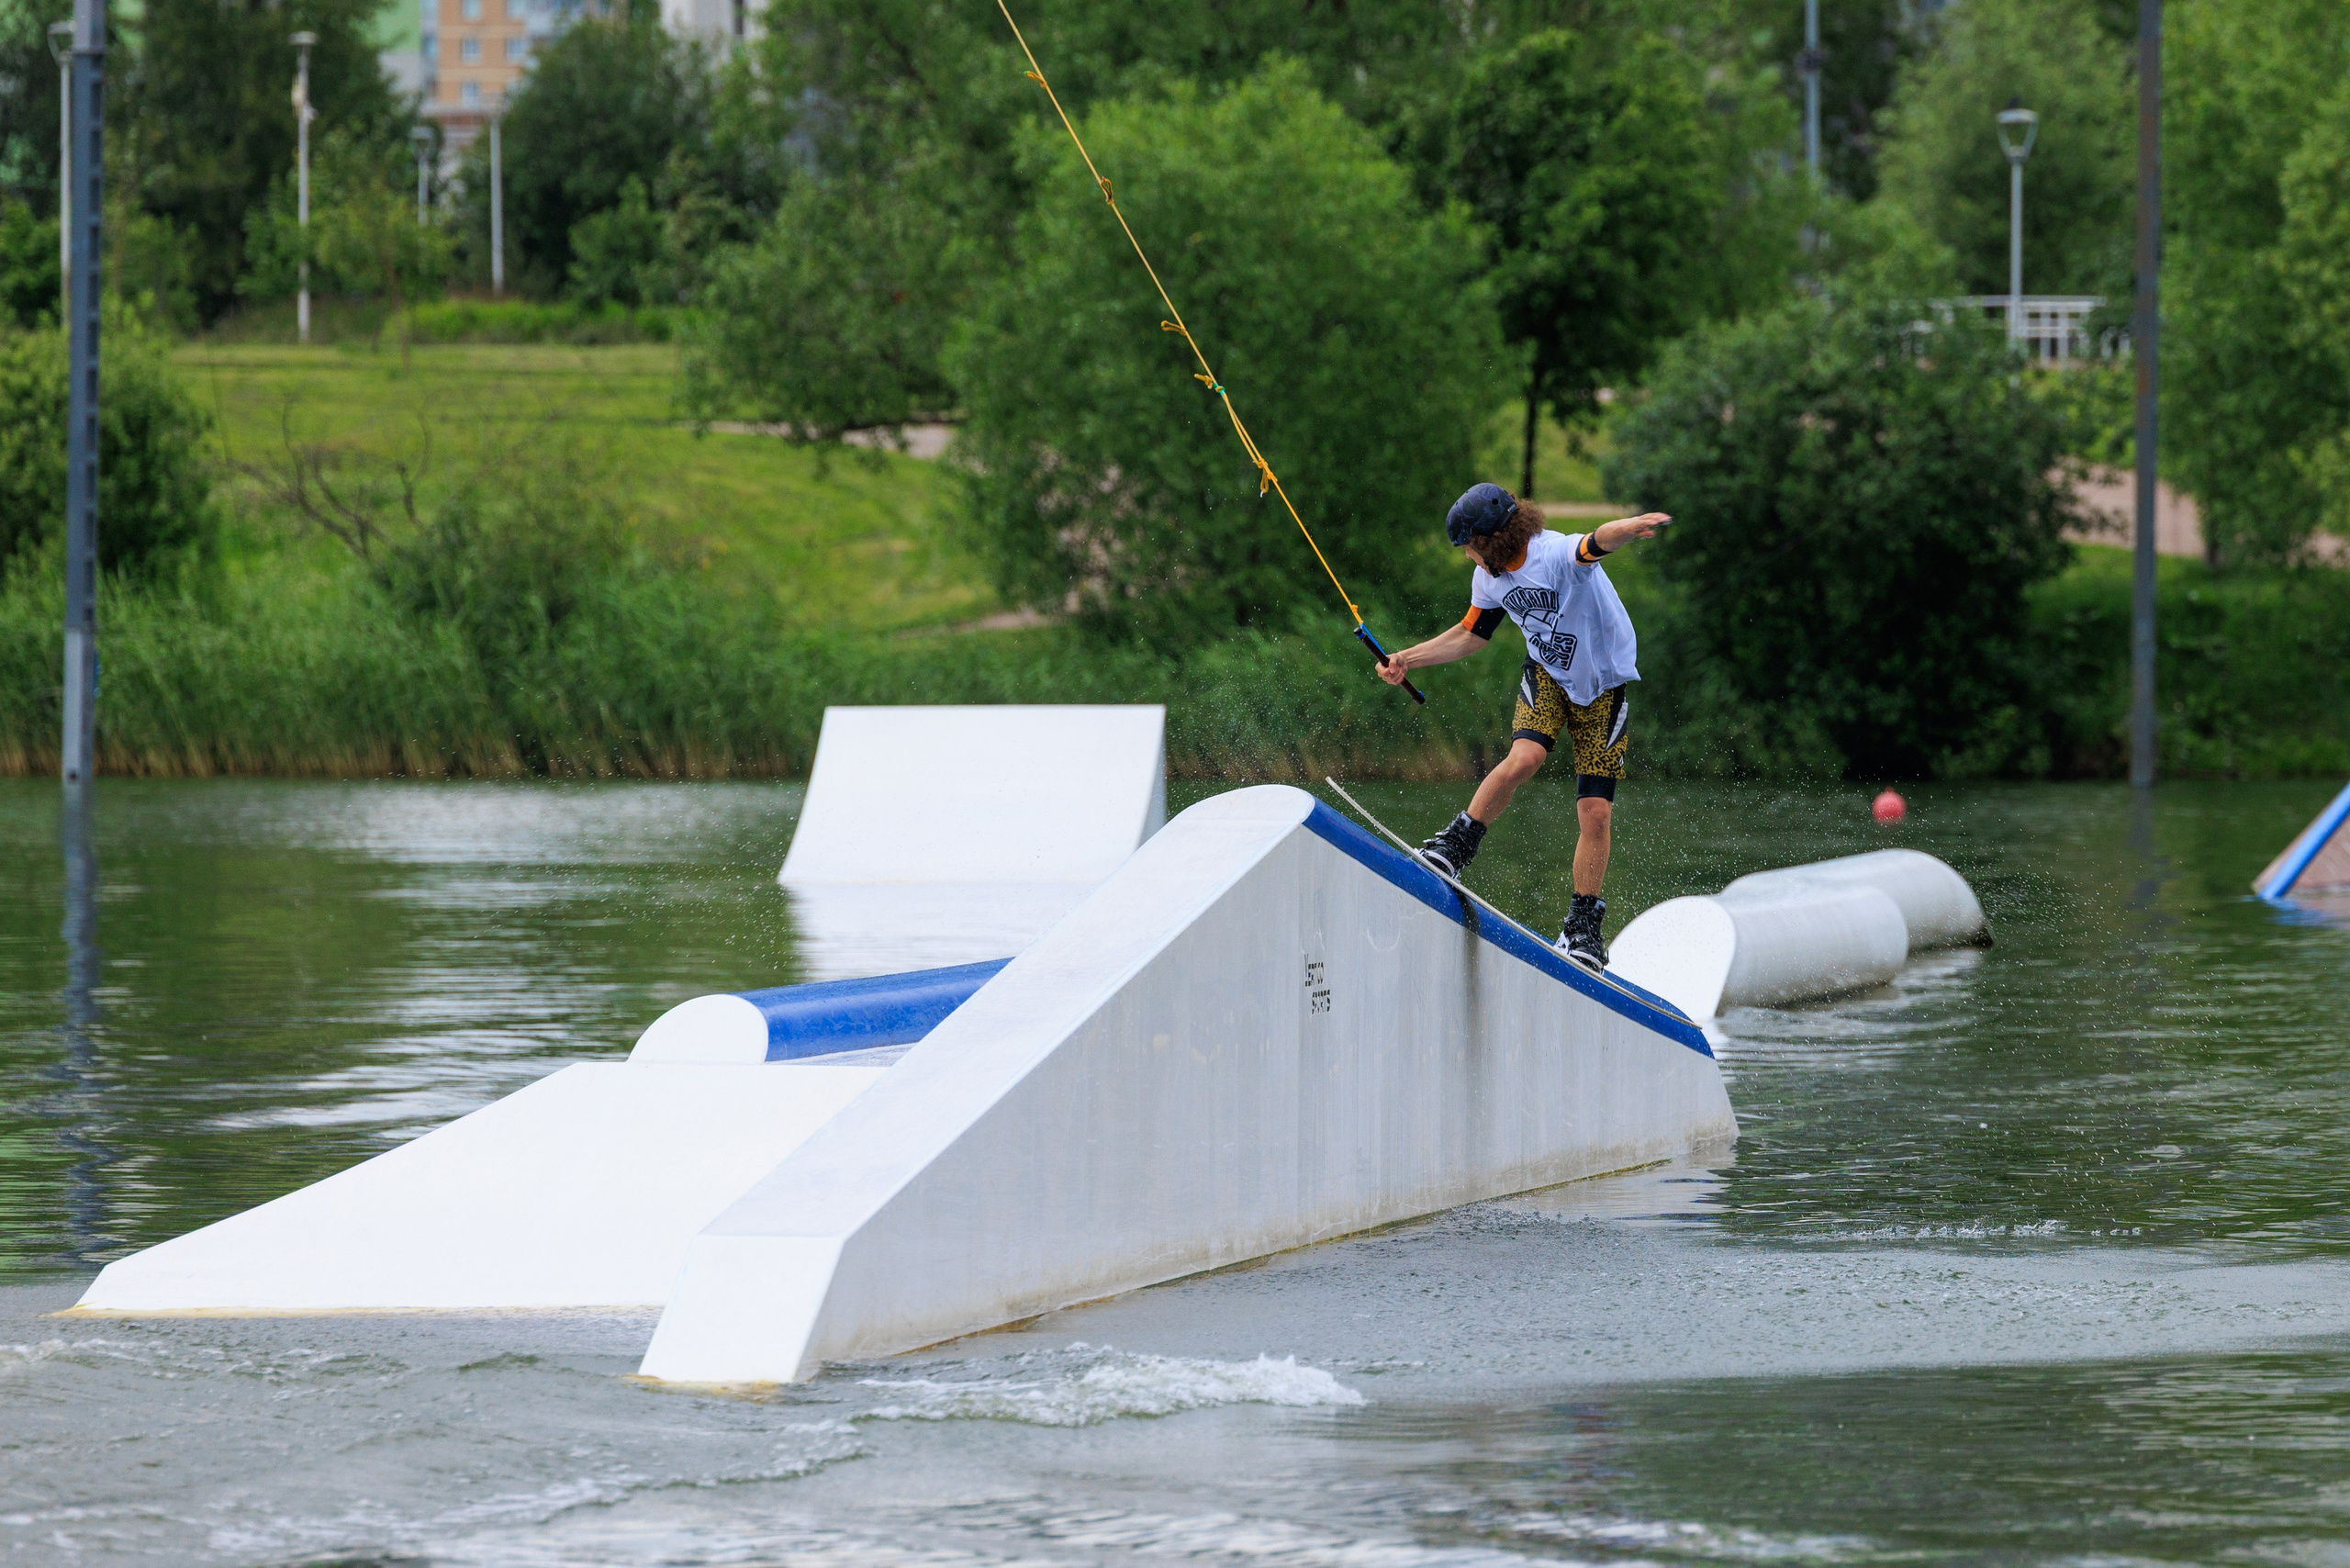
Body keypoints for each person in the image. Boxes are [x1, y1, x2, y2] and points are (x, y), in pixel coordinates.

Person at [1374, 483, 1668, 971]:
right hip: (1548, 674)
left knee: (1595, 812)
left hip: (1604, 687)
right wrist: (1407, 658)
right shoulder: (1487, 578)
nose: (1466, 555)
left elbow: (1595, 542)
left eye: (1468, 545)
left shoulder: (1552, 555)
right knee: (1524, 757)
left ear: (1489, 539)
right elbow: (1472, 634)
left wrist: (1632, 528)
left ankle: (1582, 929)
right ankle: (1455, 846)